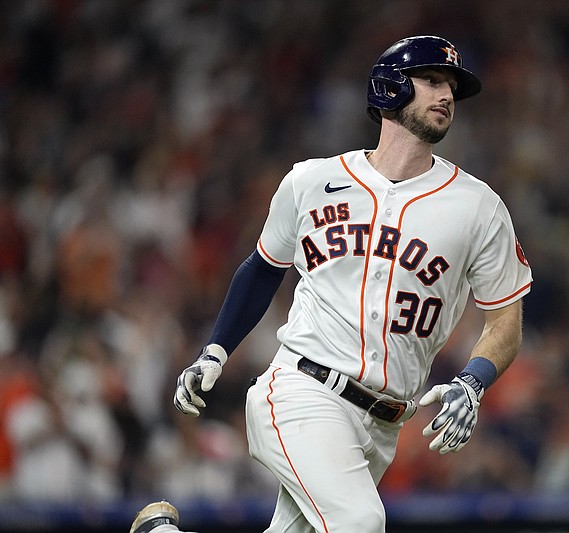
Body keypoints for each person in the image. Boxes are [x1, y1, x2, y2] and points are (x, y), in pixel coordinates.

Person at [130, 35, 532, 533]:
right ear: (389, 88)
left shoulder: (479, 207)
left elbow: (505, 320)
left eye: (452, 86)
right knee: (360, 523)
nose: (446, 95)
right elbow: (261, 268)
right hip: (303, 389)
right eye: (431, 81)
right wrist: (215, 351)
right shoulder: (311, 181)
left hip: (384, 426)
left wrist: (473, 379)